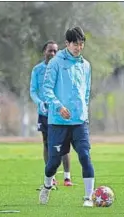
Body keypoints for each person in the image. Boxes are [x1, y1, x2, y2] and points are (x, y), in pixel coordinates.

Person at [39, 27, 95, 207]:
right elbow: (46, 90)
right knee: (53, 162)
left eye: (81, 44)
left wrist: (85, 114)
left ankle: (88, 198)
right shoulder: (55, 63)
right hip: (58, 122)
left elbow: (86, 92)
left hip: (80, 121)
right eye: (75, 44)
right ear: (67, 44)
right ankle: (47, 185)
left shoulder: (86, 65)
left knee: (85, 156)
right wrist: (58, 106)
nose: (79, 48)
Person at [30, 40, 73, 189]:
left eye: (55, 51)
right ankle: (51, 176)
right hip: (44, 112)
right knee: (47, 143)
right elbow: (33, 90)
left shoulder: (62, 68)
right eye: (50, 50)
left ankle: (67, 176)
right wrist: (39, 102)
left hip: (59, 112)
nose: (53, 53)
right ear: (44, 52)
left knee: (64, 144)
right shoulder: (37, 70)